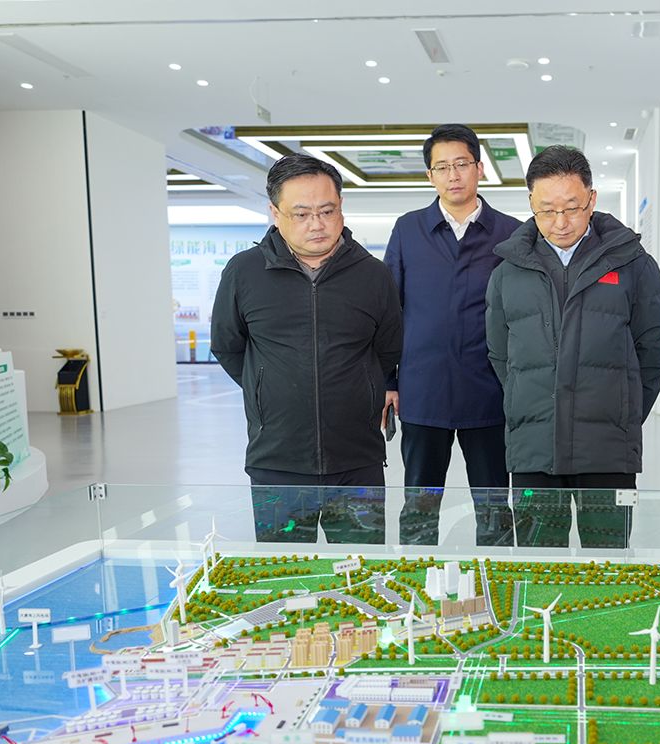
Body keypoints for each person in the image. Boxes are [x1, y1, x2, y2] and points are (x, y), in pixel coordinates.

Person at [211, 154, 402, 542]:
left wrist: (361, 389)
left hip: (357, 462)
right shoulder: (244, 272)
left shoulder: (373, 274)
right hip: (276, 462)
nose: (317, 224)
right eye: (301, 214)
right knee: (286, 570)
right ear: (275, 213)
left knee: (360, 569)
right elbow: (228, 347)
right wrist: (266, 387)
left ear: (341, 207)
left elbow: (387, 349)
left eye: (327, 211)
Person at [486, 145, 660, 547]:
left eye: (572, 208)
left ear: (592, 199)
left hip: (608, 448)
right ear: (531, 204)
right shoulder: (507, 273)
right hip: (534, 446)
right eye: (547, 210)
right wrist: (532, 402)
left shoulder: (633, 265)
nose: (560, 222)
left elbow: (652, 351)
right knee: (539, 564)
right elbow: (501, 355)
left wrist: (623, 412)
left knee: (608, 561)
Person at [384, 125, 521, 545]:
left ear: (480, 168)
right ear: (430, 176)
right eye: (441, 167)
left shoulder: (512, 233)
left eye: (461, 164)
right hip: (423, 391)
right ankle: (414, 577)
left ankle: (497, 577)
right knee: (419, 505)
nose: (453, 175)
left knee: (494, 506)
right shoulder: (408, 230)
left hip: (489, 392)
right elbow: (388, 311)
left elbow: (524, 314)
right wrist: (389, 382)